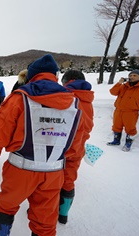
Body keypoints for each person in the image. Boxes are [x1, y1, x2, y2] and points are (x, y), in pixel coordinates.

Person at [0, 54, 84, 236]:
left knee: (6, 206)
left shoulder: (19, 98)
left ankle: (1, 233)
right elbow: (76, 144)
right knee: (45, 219)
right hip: (53, 172)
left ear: (31, 76)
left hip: (20, 169)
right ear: (56, 76)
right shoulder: (74, 103)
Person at [59, 69, 94, 224]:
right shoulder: (87, 99)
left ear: (67, 81)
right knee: (69, 179)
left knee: (51, 179)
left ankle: (46, 209)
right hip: (78, 147)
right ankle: (63, 214)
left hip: (61, 146)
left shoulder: (65, 96)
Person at [107, 69, 139, 151]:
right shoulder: (123, 86)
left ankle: (128, 143)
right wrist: (119, 83)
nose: (132, 77)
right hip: (118, 110)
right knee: (116, 126)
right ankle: (116, 141)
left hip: (131, 112)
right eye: (130, 75)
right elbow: (113, 92)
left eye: (134, 75)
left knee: (130, 128)